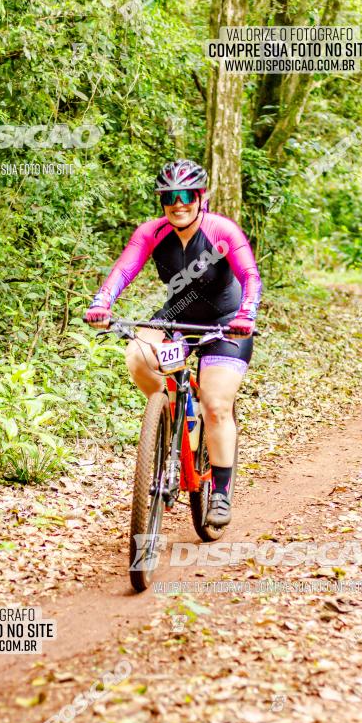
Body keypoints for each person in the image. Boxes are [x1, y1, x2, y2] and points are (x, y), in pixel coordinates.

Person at [85, 159, 262, 527]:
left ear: (201, 197)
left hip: (225, 324)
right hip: (177, 318)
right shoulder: (151, 232)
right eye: (169, 197)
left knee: (216, 405)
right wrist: (102, 301)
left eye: (185, 195)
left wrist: (246, 314)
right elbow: (123, 270)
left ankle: (222, 494)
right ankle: (170, 416)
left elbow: (250, 276)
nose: (177, 203)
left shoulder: (221, 230)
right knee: (137, 354)